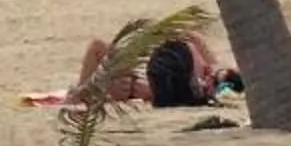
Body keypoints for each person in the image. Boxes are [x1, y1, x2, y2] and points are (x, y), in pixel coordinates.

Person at [67, 28, 228, 104]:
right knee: (190, 36)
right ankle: (80, 92)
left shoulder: (198, 80)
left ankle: (79, 93)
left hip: (138, 86)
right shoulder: (209, 79)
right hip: (152, 82)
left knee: (98, 45)